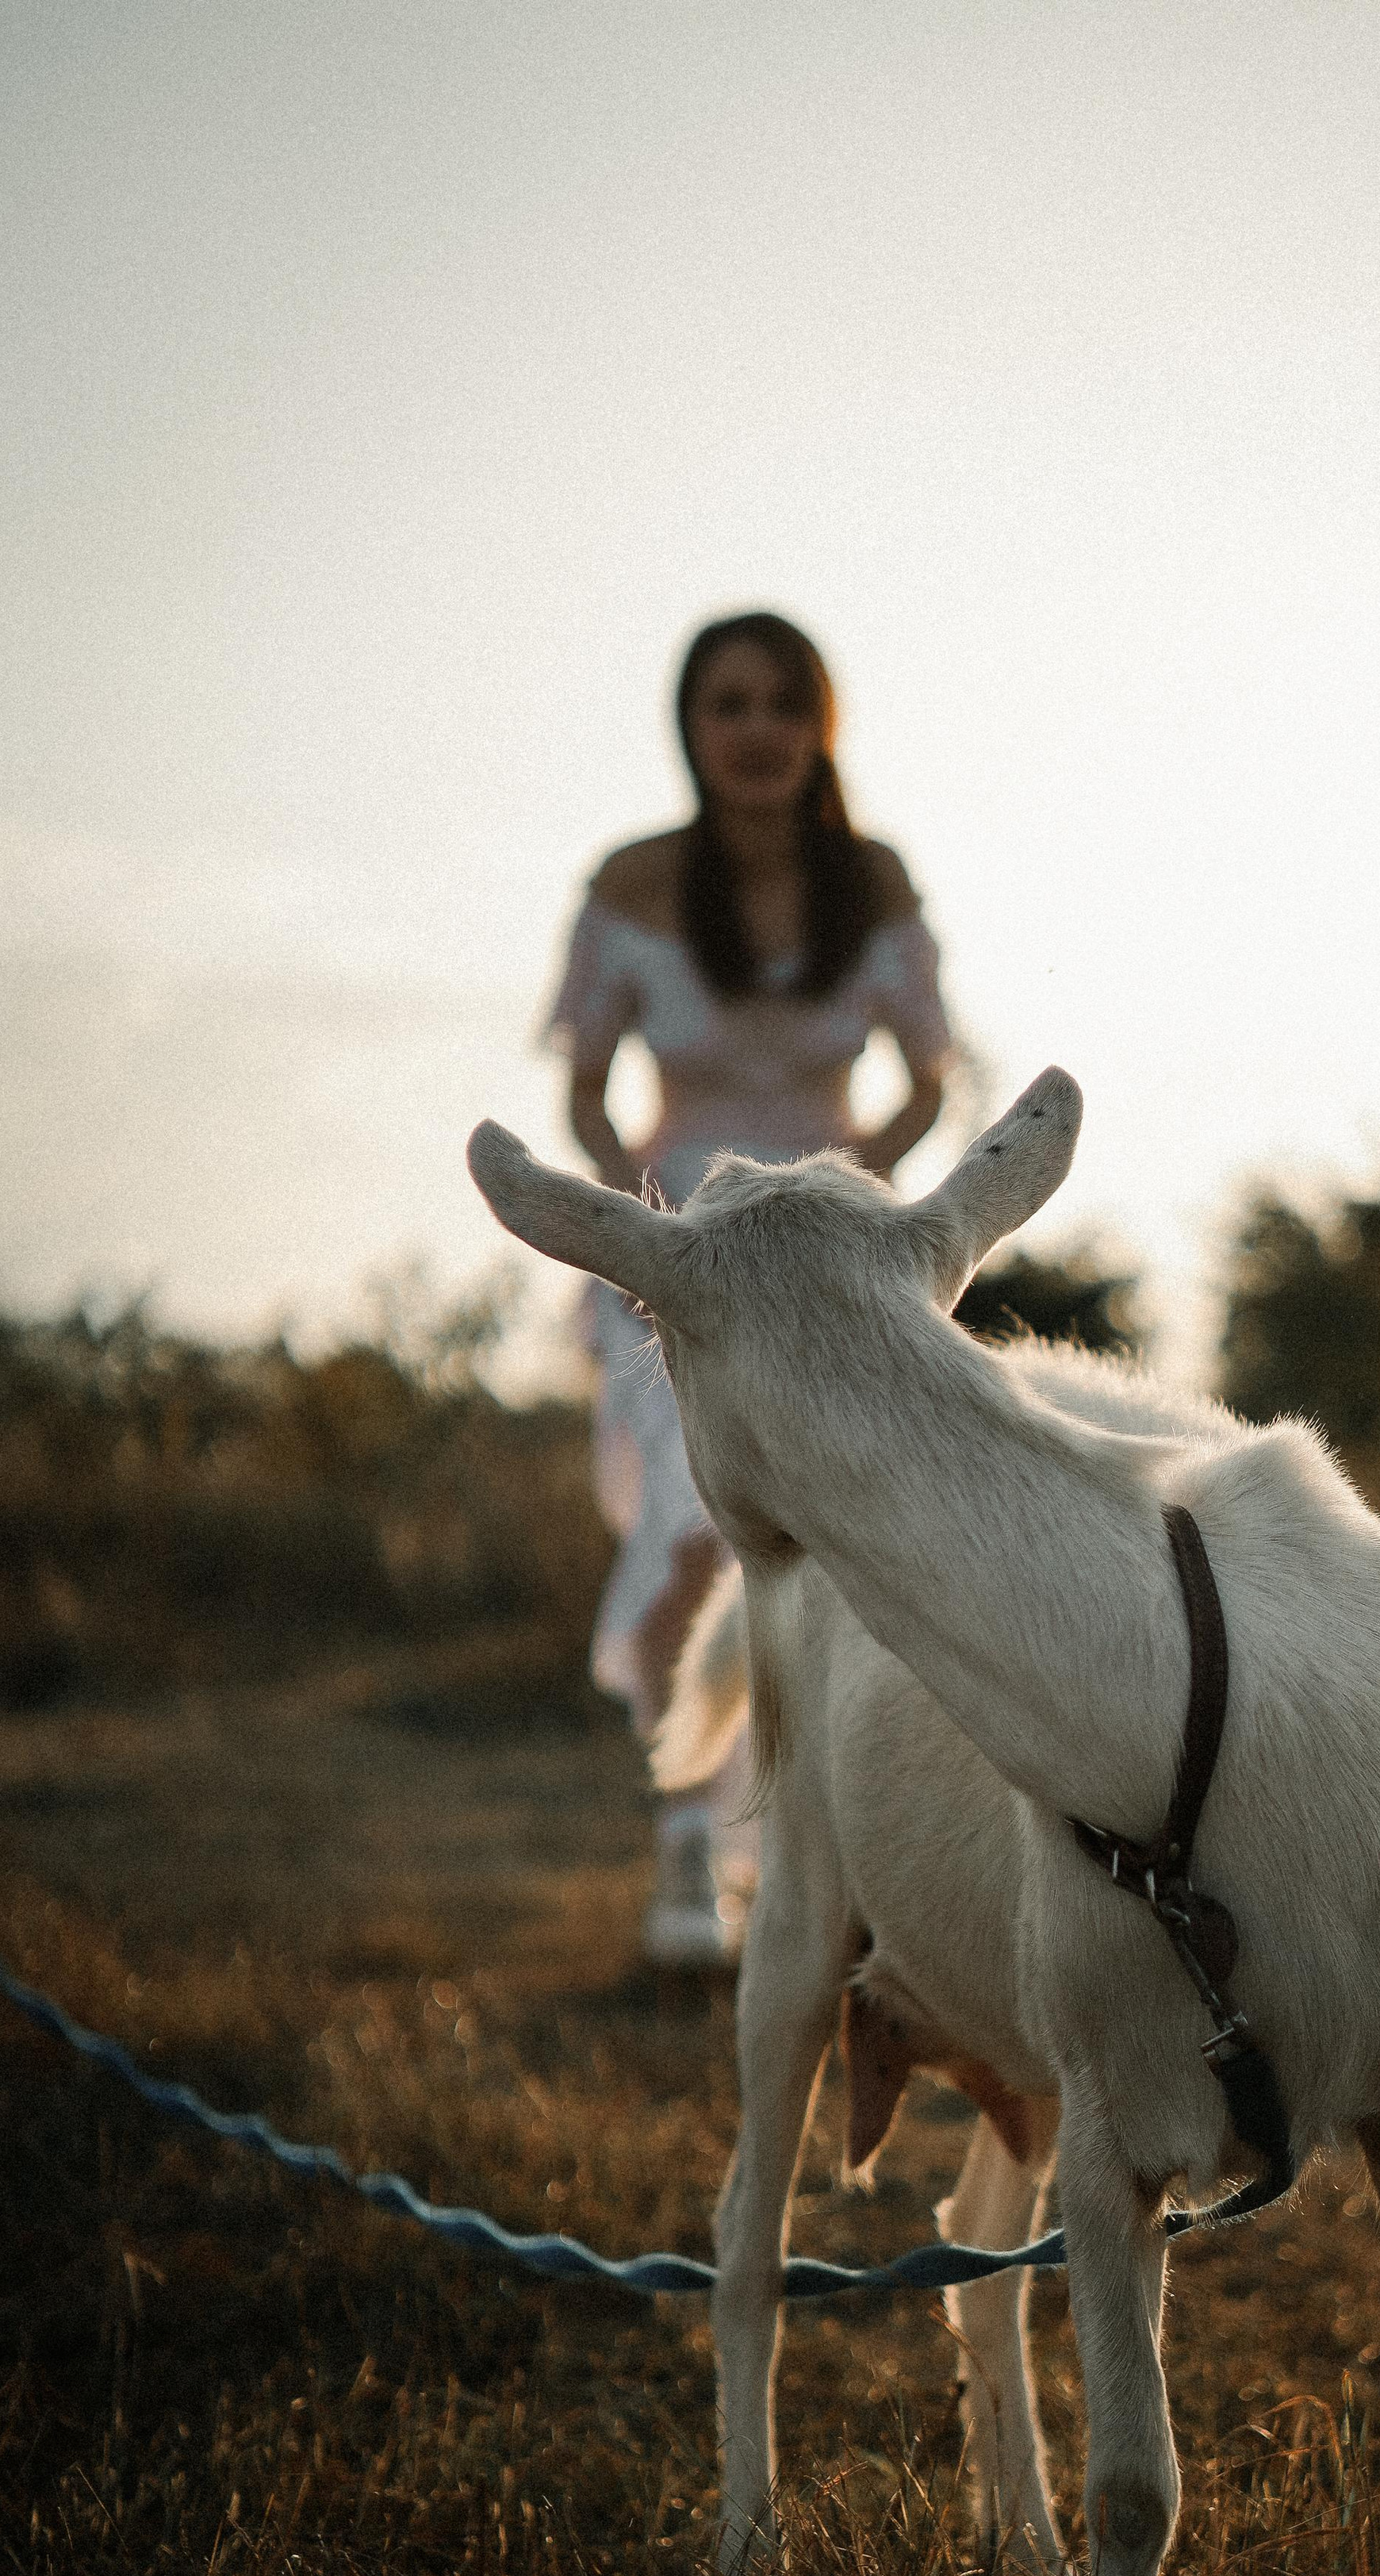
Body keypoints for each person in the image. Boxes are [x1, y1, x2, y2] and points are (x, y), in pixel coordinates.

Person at [544, 612, 954, 1962]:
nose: (759, 728)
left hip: (834, 1262)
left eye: (785, 701)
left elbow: (932, 1080)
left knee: (844, 1550)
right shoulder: (632, 882)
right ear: (692, 725)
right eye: (731, 703)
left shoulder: (876, 883)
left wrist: (863, 1196)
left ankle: (819, 1866)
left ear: (819, 721)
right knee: (689, 1531)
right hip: (679, 1249)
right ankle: (683, 1855)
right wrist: (630, 1226)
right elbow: (588, 1087)